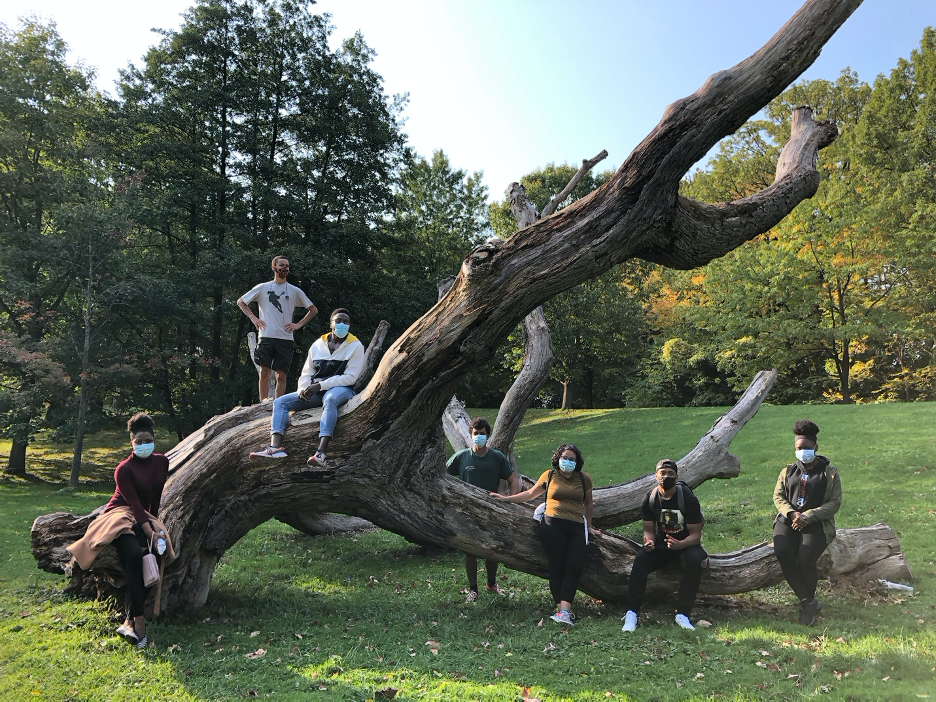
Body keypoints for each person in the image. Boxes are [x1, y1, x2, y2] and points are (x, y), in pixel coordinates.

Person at [67, 413, 173, 649]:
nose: (144, 445)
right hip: (118, 515)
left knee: (155, 554)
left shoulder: (162, 462)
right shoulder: (123, 469)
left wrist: (154, 527)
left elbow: (155, 498)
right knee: (135, 554)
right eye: (139, 441)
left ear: (154, 440)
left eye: (148, 441)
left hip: (144, 516)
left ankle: (128, 619)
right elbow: (134, 505)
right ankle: (139, 621)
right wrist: (148, 532)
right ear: (131, 442)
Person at [491, 443, 598, 626]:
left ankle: (564, 611)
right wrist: (506, 499)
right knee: (557, 566)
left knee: (574, 566)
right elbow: (530, 494)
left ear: (577, 462)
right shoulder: (549, 475)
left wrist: (589, 526)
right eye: (565, 458)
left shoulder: (583, 478)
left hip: (577, 526)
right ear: (558, 458)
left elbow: (588, 503)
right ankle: (562, 610)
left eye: (572, 459)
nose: (568, 462)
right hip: (552, 524)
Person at [249, 309, 364, 467]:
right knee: (280, 402)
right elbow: (307, 372)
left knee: (330, 400)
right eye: (338, 321)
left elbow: (350, 377)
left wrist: (320, 385)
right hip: (316, 389)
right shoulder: (318, 344)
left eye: (346, 322)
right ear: (331, 323)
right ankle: (276, 447)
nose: (342, 324)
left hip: (342, 388)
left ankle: (321, 453)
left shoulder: (356, 346)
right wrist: (302, 389)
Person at [622, 458, 706, 632]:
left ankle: (682, 613)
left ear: (676, 476)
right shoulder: (650, 498)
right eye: (662, 473)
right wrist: (649, 541)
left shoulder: (687, 499)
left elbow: (696, 535)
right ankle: (631, 613)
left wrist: (681, 544)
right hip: (663, 543)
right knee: (640, 560)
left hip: (686, 542)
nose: (666, 477)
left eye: (670, 474)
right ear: (656, 475)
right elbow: (648, 529)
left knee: (693, 562)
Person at [773, 419, 842, 626]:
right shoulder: (788, 471)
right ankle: (808, 602)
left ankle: (807, 605)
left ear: (815, 447)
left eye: (807, 448)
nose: (802, 451)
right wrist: (792, 513)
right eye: (799, 448)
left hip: (816, 523)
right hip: (788, 520)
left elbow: (835, 503)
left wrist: (808, 516)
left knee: (805, 558)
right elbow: (778, 496)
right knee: (784, 553)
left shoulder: (830, 473)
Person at [446, 417, 520, 602]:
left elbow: (513, 480)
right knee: (470, 551)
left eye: (482, 434)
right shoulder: (462, 456)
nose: (479, 436)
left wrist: (510, 500)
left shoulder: (497, 457)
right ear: (471, 435)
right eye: (476, 433)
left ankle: (491, 583)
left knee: (491, 549)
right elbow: (442, 475)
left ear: (488, 436)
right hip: (466, 510)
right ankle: (473, 589)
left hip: (491, 510)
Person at [237, 255, 317, 401]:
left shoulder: (294, 291)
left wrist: (298, 324)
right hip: (266, 335)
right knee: (264, 372)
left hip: (285, 337)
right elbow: (241, 301)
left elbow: (313, 310)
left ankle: (278, 404)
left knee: (281, 374)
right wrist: (254, 319)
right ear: (274, 267)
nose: (285, 268)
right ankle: (263, 403)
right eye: (281, 265)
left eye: (287, 266)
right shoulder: (263, 288)